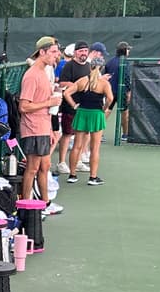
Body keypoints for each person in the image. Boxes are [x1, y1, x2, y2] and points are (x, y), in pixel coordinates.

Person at [18, 36, 63, 204]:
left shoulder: (43, 73)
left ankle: (45, 203)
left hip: (43, 127)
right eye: (53, 51)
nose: (57, 55)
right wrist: (49, 103)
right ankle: (26, 206)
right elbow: (24, 106)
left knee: (44, 166)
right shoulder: (32, 75)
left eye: (57, 52)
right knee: (32, 168)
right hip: (33, 128)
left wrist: (50, 129)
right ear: (42, 52)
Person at [63, 52, 114, 185]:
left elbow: (66, 93)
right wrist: (104, 109)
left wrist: (74, 105)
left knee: (77, 146)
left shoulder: (82, 81)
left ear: (90, 67)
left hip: (82, 113)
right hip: (96, 114)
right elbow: (110, 99)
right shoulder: (104, 83)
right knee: (95, 148)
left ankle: (72, 175)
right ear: (102, 68)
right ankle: (93, 177)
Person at [56, 41, 90, 175]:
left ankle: (78, 161)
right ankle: (61, 163)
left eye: (85, 51)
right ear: (75, 52)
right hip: (70, 106)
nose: (83, 53)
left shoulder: (88, 66)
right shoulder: (69, 66)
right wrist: (76, 85)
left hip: (85, 106)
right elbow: (62, 83)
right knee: (67, 134)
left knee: (83, 134)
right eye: (81, 51)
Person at [105, 41, 133, 141]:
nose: (129, 51)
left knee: (106, 110)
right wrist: (128, 92)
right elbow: (127, 77)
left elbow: (105, 76)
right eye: (128, 49)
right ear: (124, 50)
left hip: (110, 90)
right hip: (122, 92)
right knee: (125, 113)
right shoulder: (125, 62)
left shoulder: (110, 62)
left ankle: (98, 132)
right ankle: (125, 135)